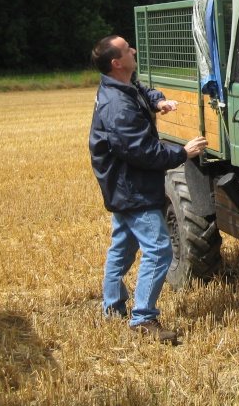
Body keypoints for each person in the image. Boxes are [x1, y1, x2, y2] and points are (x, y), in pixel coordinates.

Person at [89, 35, 208, 343]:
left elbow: (142, 90)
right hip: (132, 187)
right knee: (158, 248)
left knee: (122, 248)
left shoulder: (123, 86)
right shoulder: (118, 106)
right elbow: (144, 151)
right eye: (127, 49)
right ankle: (143, 318)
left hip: (123, 184)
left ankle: (112, 308)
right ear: (117, 63)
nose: (133, 50)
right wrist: (184, 153)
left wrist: (158, 101)